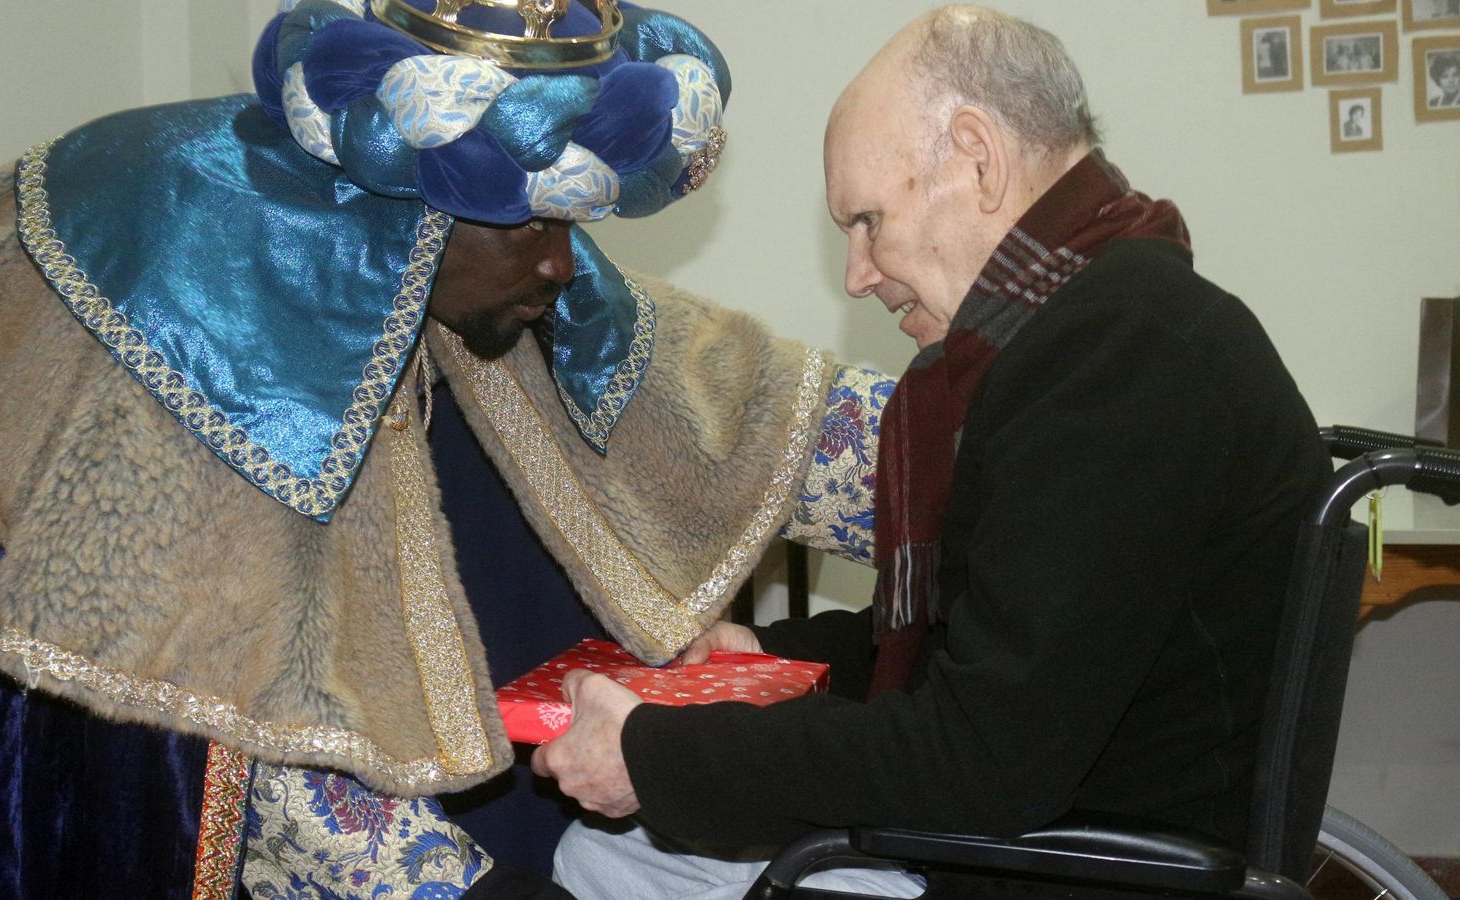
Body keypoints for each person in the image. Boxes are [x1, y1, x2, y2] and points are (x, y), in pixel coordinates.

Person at [0, 1, 892, 896]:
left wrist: (980, 422)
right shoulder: (209, 364)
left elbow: (780, 419)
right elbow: (255, 755)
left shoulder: (517, 302)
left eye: (570, 222)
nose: (563, 266)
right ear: (404, 212)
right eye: (528, 223)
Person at [534, 6, 1329, 899]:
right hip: (1051, 825)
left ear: (977, 157)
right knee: (615, 854)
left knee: (603, 860)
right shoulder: (1113, 325)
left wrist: (654, 757)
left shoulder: (1118, 357)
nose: (857, 275)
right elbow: (975, 648)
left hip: (1071, 867)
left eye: (868, 220)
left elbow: (983, 755)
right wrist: (759, 655)